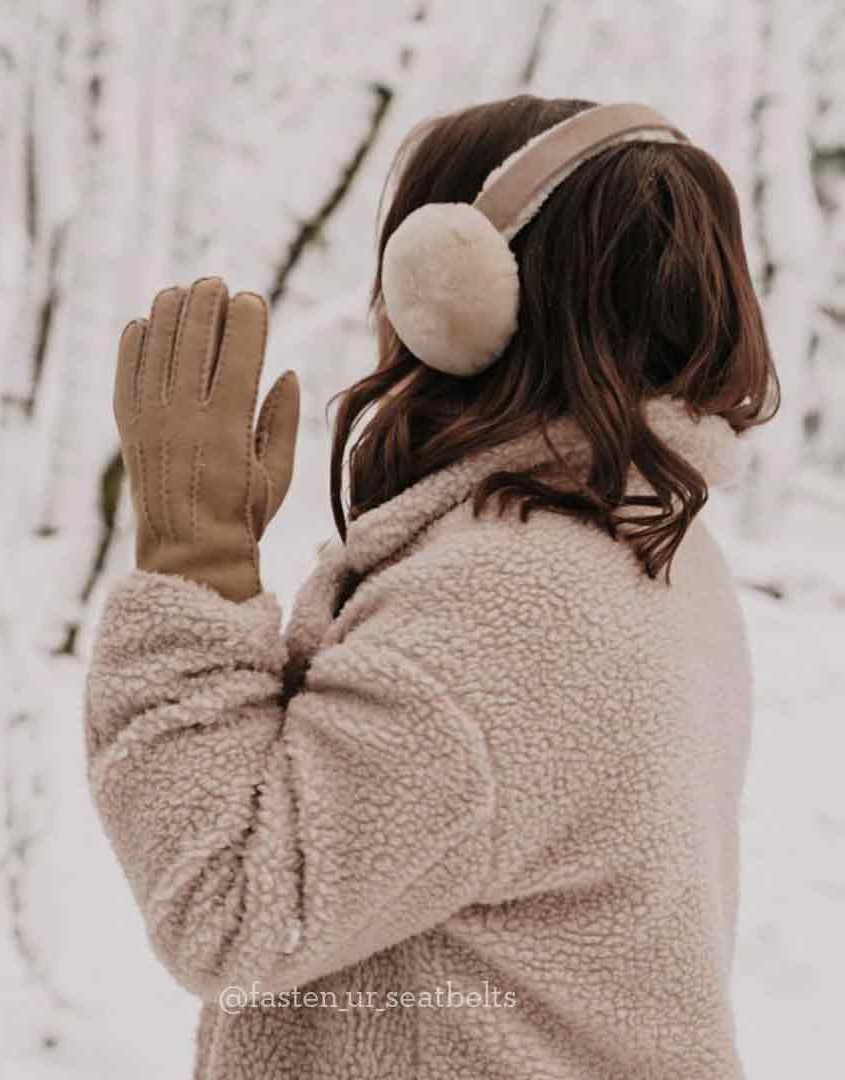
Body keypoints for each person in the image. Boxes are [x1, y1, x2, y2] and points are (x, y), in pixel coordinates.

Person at [86, 95, 774, 1078]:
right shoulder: (647, 550)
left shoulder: (508, 605)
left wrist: (191, 566)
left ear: (454, 294)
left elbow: (235, 908)